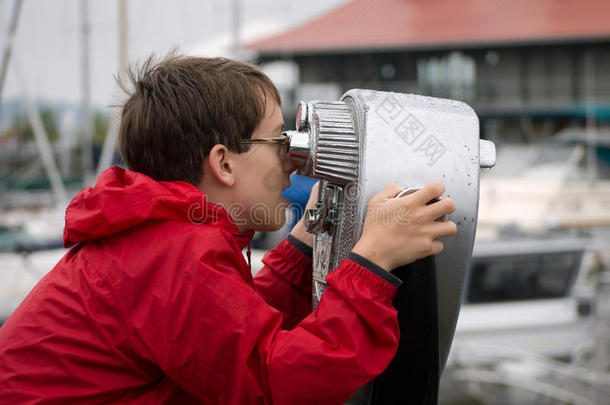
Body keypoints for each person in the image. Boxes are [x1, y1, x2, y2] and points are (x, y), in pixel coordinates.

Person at [0, 54, 457, 404]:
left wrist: (303, 245)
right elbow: (277, 385)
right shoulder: (172, 253)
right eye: (279, 141)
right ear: (222, 163)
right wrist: (372, 265)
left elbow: (228, 337)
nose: (293, 160)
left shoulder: (158, 236)